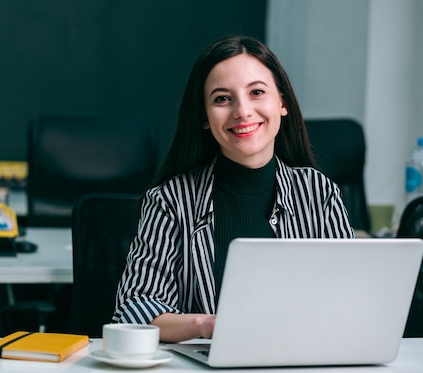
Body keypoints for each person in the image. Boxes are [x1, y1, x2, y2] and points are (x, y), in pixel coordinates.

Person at [112, 35, 355, 343]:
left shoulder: (318, 193)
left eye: (256, 92)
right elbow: (135, 309)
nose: (242, 111)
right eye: (222, 99)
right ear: (204, 117)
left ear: (281, 103)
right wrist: (206, 326)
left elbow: (350, 299)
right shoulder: (171, 200)